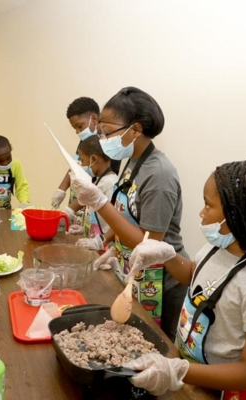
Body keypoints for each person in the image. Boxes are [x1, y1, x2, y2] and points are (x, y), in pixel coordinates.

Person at [120, 159, 246, 399]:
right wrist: (167, 255)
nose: (201, 212)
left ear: (236, 214)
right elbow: (194, 277)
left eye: (208, 205)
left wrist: (180, 370)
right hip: (192, 379)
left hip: (227, 392)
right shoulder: (217, 248)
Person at [69, 86, 188, 342]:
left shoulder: (159, 174)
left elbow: (150, 244)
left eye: (107, 133)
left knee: (156, 346)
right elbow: (126, 216)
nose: (103, 140)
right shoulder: (132, 161)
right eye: (100, 133)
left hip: (161, 281)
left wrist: (100, 203)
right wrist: (108, 244)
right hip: (135, 271)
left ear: (135, 130)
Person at [50, 97, 121, 226]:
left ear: (94, 119)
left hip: (89, 207)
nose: (78, 132)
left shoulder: (110, 149)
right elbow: (75, 164)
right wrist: (61, 189)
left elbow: (98, 189)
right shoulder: (86, 139)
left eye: (79, 126)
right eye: (75, 128)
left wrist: (70, 209)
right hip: (78, 200)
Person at [68, 135, 118, 259]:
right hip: (96, 244)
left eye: (83, 161)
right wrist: (84, 229)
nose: (82, 166)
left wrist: (99, 240)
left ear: (94, 159)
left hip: (106, 250)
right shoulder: (100, 181)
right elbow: (99, 217)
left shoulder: (110, 184)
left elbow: (118, 224)